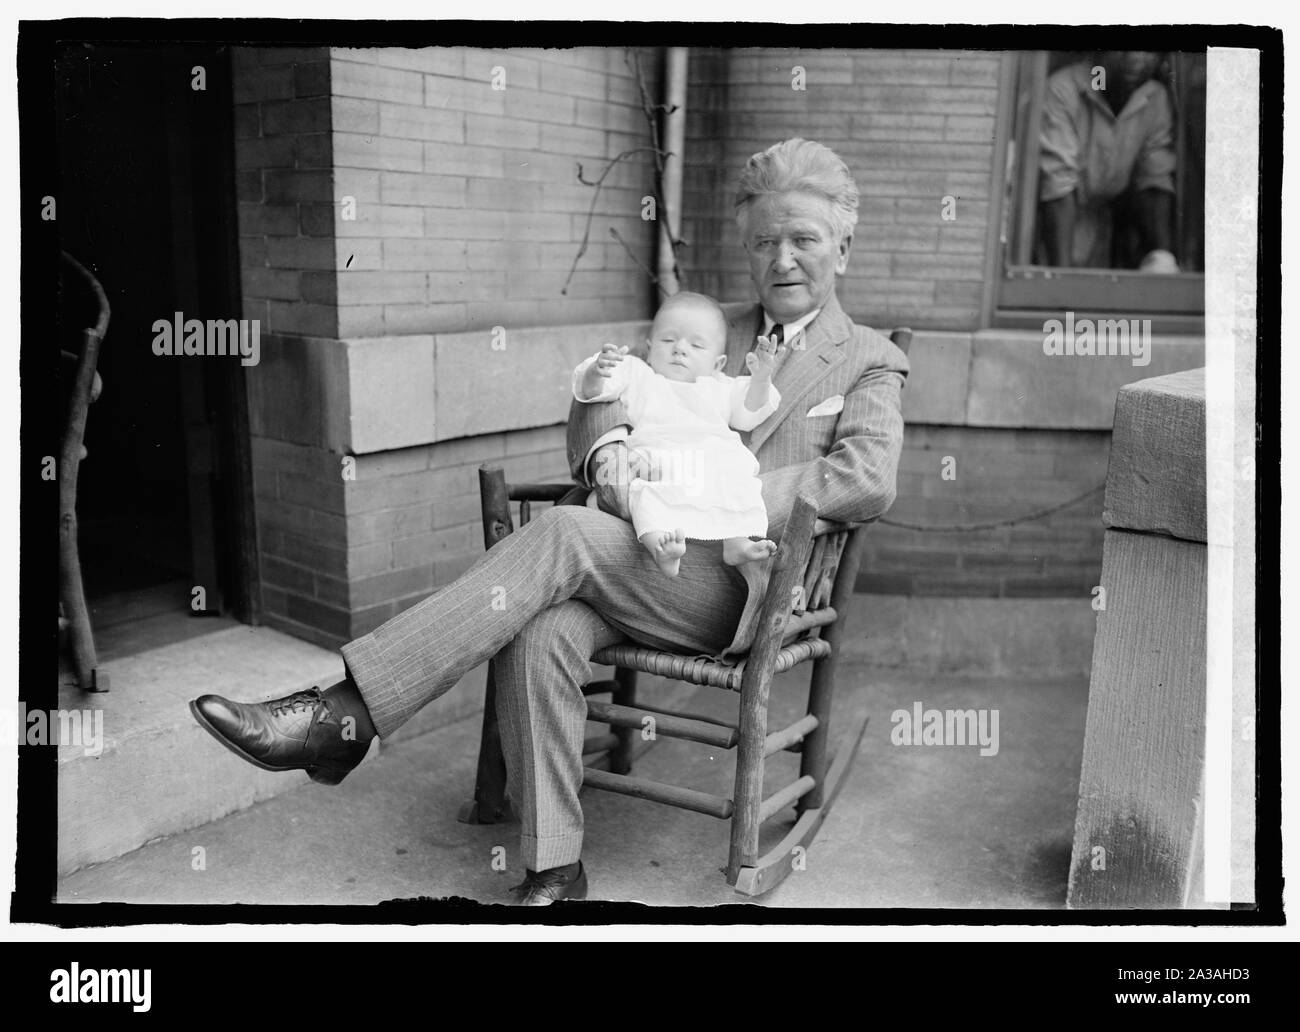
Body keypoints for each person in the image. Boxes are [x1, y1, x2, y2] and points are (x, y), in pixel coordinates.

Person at [189, 137, 909, 905]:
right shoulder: (702, 327)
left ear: (844, 246)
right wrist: (608, 457)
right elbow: (604, 403)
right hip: (638, 550)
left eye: (804, 240)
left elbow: (868, 478)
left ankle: (346, 713)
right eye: (765, 241)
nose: (784, 259)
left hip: (738, 583)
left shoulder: (867, 358)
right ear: (745, 246)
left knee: (563, 537)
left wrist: (721, 491)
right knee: (540, 632)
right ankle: (555, 869)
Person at [573, 291, 781, 577]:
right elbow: (597, 390)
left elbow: (750, 412)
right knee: (646, 491)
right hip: (656, 455)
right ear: (648, 349)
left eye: (696, 345)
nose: (680, 349)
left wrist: (761, 378)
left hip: (710, 459)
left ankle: (737, 541)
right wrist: (597, 371)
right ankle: (658, 545)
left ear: (718, 363)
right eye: (668, 340)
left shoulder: (719, 386)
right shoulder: (640, 374)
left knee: (738, 475)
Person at [1037, 51, 1180, 271]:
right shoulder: (1066, 89)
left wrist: (1163, 261)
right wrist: (1062, 281)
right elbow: (1059, 187)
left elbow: (1155, 179)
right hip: (1055, 232)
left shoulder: (1154, 97)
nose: (1137, 57)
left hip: (1102, 234)